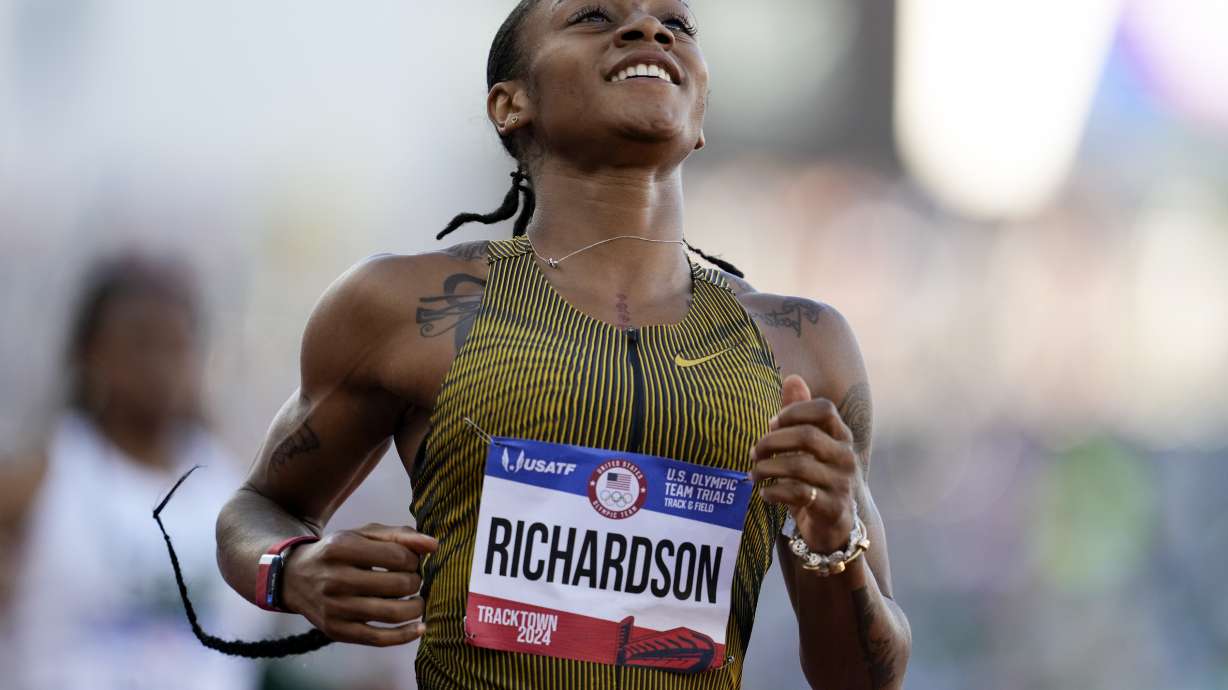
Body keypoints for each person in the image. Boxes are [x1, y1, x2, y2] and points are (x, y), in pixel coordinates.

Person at [214, 2, 911, 688]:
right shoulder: (400, 307)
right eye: (593, 18)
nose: (649, 28)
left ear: (701, 113)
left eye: (680, 24)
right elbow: (254, 510)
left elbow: (863, 677)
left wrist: (831, 537)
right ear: (509, 104)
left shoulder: (804, 347)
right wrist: (292, 572)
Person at [0, 255, 269, 690]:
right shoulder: (41, 478)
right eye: (140, 343)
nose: (159, 366)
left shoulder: (234, 488)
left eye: (176, 345)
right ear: (89, 354)